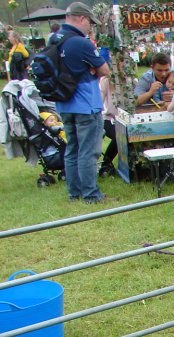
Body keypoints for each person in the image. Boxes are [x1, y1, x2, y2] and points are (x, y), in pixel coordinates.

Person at [53, 2, 110, 204]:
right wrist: (92, 69)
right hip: (86, 103)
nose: (90, 28)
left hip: (64, 103)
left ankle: (74, 193)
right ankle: (91, 194)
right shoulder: (81, 42)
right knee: (88, 150)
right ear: (82, 19)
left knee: (72, 149)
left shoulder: (55, 39)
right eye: (90, 24)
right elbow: (105, 71)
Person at [98, 50, 118, 177]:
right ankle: (107, 162)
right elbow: (100, 98)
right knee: (120, 135)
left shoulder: (132, 81)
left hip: (125, 119)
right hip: (108, 118)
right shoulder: (106, 81)